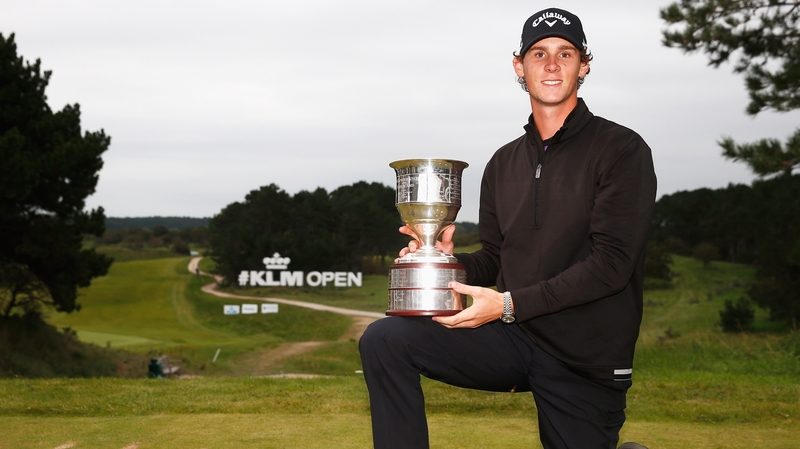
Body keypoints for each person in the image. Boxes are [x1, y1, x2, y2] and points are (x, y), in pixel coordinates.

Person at [359, 7, 656, 449]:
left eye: (565, 53)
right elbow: (498, 258)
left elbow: (611, 266)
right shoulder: (503, 162)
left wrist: (507, 305)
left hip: (583, 355)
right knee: (385, 339)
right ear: (519, 66)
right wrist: (443, 260)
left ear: (584, 65)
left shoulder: (622, 150)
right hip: (514, 339)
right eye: (538, 54)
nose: (551, 65)